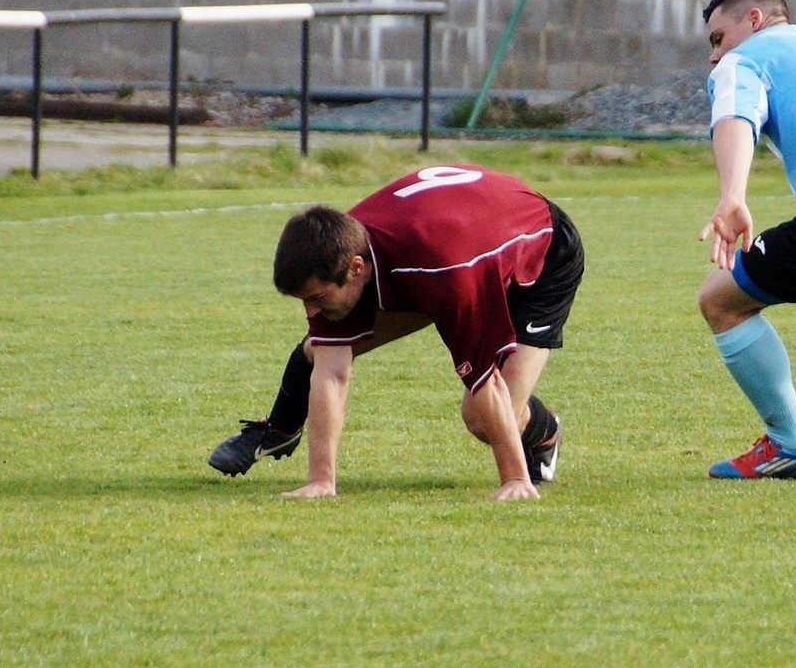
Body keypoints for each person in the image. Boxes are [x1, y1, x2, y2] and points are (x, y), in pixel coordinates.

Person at [208, 164, 584, 500]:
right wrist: (321, 481)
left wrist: (515, 479)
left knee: (478, 416)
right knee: (320, 344)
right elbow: (331, 370)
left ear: (357, 268)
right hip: (448, 247)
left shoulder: (444, 275)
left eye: (317, 298)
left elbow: (487, 384)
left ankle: (545, 433)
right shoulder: (338, 246)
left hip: (541, 255)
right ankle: (278, 430)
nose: (310, 310)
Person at [698, 0, 796, 479]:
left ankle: (790, 445)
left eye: (717, 39)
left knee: (722, 300)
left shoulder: (747, 57)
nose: (715, 56)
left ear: (754, 19)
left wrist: (732, 195)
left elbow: (734, 114)